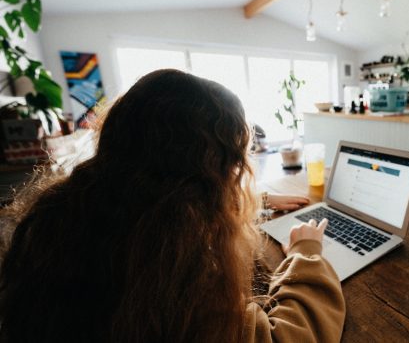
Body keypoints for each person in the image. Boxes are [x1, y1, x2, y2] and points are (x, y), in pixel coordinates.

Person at [0, 69, 345, 342]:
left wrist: (258, 202)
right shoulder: (169, 268)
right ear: (210, 174)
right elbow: (284, 337)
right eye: (232, 162)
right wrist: (306, 254)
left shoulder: (64, 214)